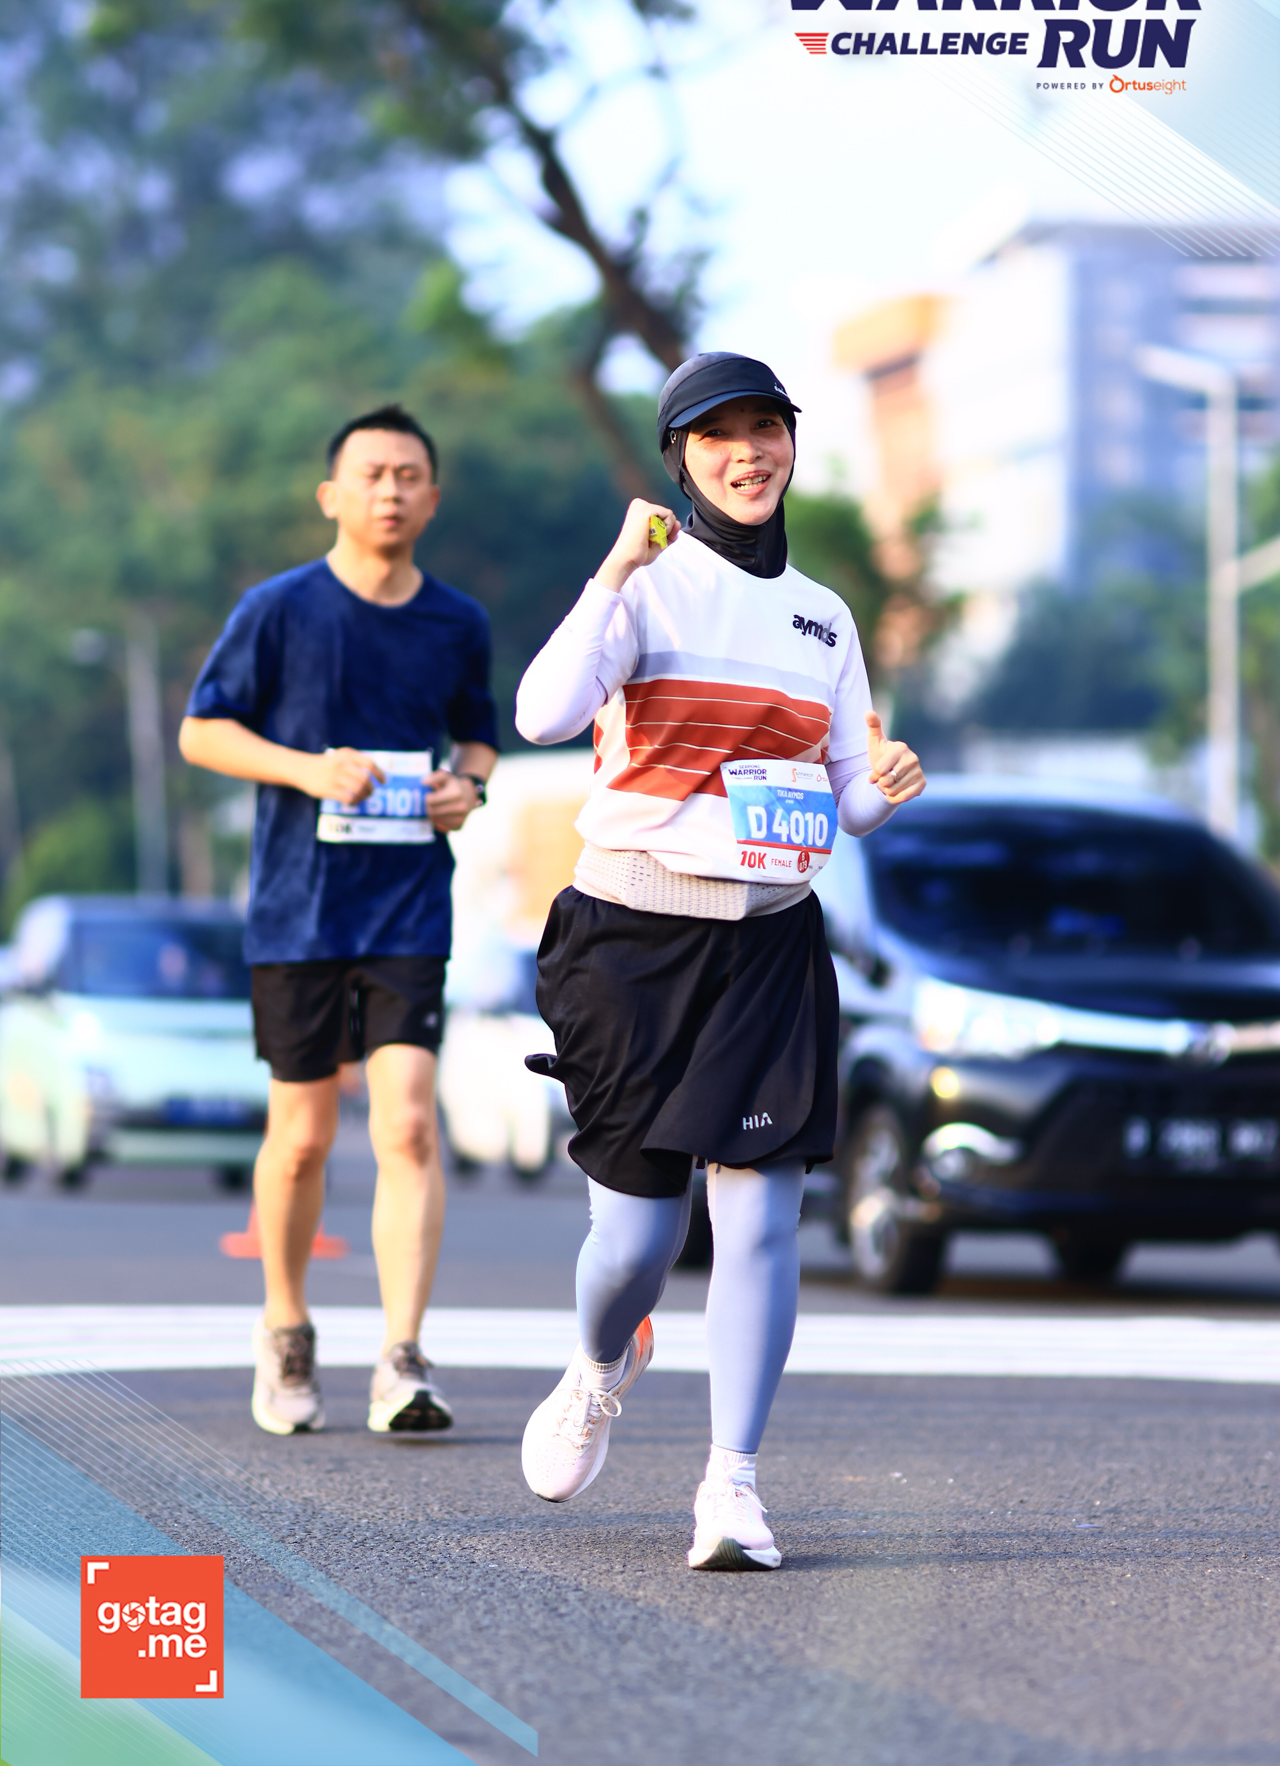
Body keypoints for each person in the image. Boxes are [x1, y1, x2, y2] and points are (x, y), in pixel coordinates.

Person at [514, 352, 925, 1570]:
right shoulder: (643, 585)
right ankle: (599, 1363)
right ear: (680, 460)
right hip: (629, 939)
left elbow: (843, 797)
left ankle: (730, 1485)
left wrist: (885, 781)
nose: (747, 454)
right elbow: (540, 714)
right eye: (716, 436)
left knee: (758, 1224)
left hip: (770, 943)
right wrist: (610, 571)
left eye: (765, 429)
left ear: (791, 443)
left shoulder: (825, 617)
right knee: (637, 1245)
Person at [179, 403, 498, 1438]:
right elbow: (201, 732)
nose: (389, 491)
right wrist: (304, 768)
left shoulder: (457, 621)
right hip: (298, 909)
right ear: (331, 495)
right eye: (370, 474)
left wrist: (468, 788)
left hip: (408, 904)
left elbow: (477, 738)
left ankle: (402, 1356)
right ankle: (285, 1326)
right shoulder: (277, 609)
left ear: (433, 498)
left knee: (406, 1122)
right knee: (303, 1138)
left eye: (408, 475)